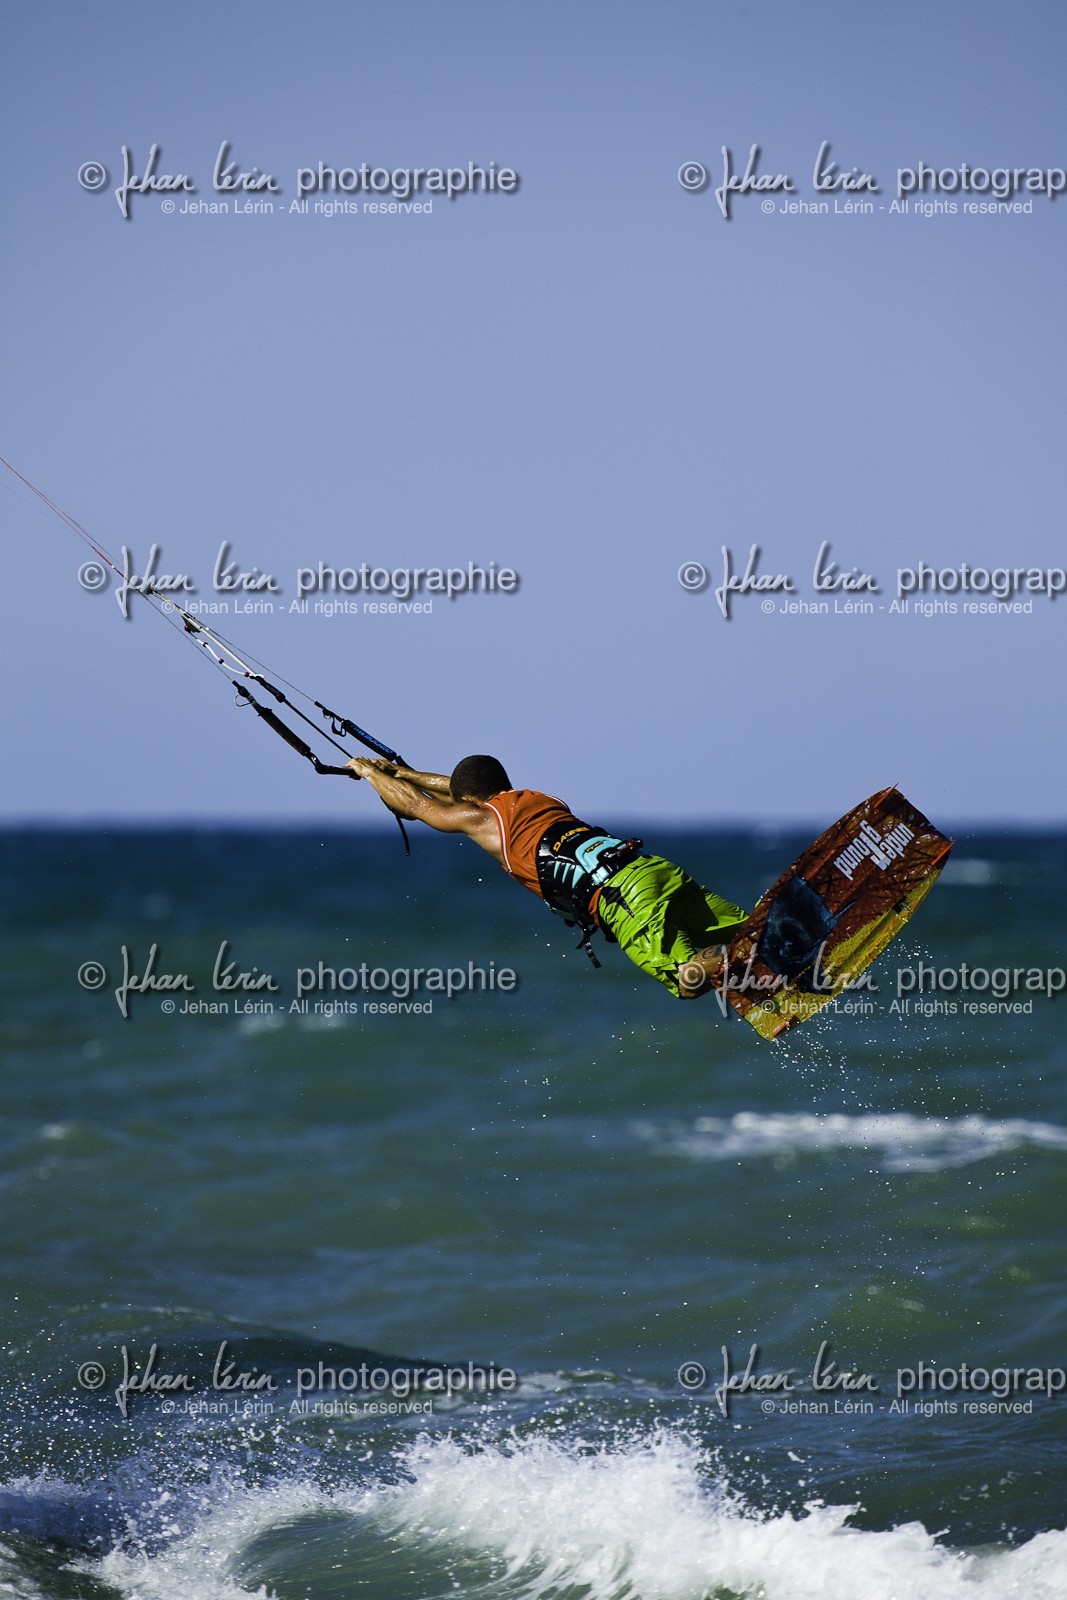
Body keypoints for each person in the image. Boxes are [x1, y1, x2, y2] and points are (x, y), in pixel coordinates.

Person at [345, 753, 748, 999]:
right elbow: (450, 790)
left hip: (621, 898)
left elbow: (418, 807)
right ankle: (775, 947)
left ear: (469, 801)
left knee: (685, 980)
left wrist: (370, 774)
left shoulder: (480, 818)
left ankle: (729, 959)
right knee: (746, 931)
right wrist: (403, 771)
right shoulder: (538, 798)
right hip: (653, 870)